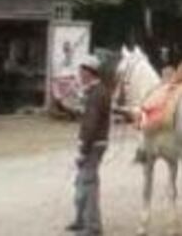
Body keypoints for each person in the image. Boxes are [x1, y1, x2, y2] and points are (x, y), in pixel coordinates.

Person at [68, 55, 109, 235]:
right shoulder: (95, 91)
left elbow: (91, 124)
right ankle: (81, 220)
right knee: (81, 181)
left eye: (81, 71)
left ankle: (92, 226)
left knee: (88, 183)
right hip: (95, 142)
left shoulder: (96, 94)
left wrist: (83, 150)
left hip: (93, 144)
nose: (79, 74)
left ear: (89, 72)